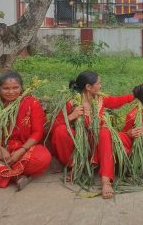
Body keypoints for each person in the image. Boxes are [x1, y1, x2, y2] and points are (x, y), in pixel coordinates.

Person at [50, 70, 134, 199]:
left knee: (105, 131)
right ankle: (76, 167)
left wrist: (137, 94)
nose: (100, 86)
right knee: (61, 131)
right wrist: (72, 116)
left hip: (98, 144)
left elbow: (118, 101)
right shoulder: (72, 102)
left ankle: (106, 181)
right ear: (89, 87)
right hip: (78, 146)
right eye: (99, 83)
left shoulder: (100, 99)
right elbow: (54, 125)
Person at [0, 71, 51, 190]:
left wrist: (21, 151)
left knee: (43, 158)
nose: (11, 92)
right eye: (6, 88)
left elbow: (37, 132)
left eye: (15, 88)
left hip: (24, 149)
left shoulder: (32, 103)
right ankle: (16, 177)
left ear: (21, 88)